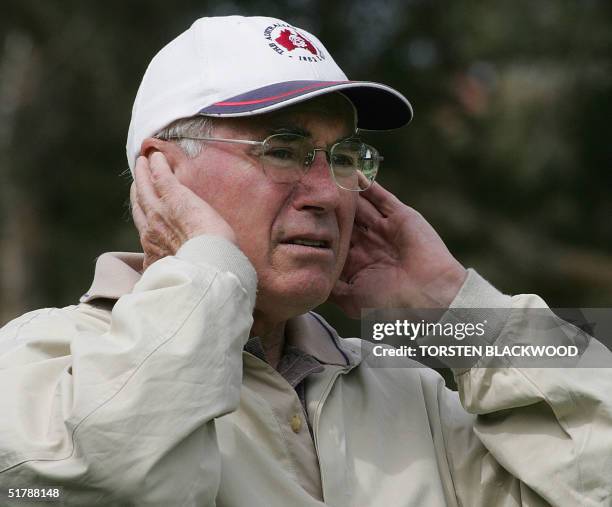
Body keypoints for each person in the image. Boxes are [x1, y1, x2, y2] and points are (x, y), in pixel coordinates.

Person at [0, 15, 610, 507]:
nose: (327, 192)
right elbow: (100, 483)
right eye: (285, 151)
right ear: (163, 173)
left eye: (342, 156)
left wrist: (459, 309)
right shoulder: (39, 359)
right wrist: (208, 274)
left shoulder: (411, 391)